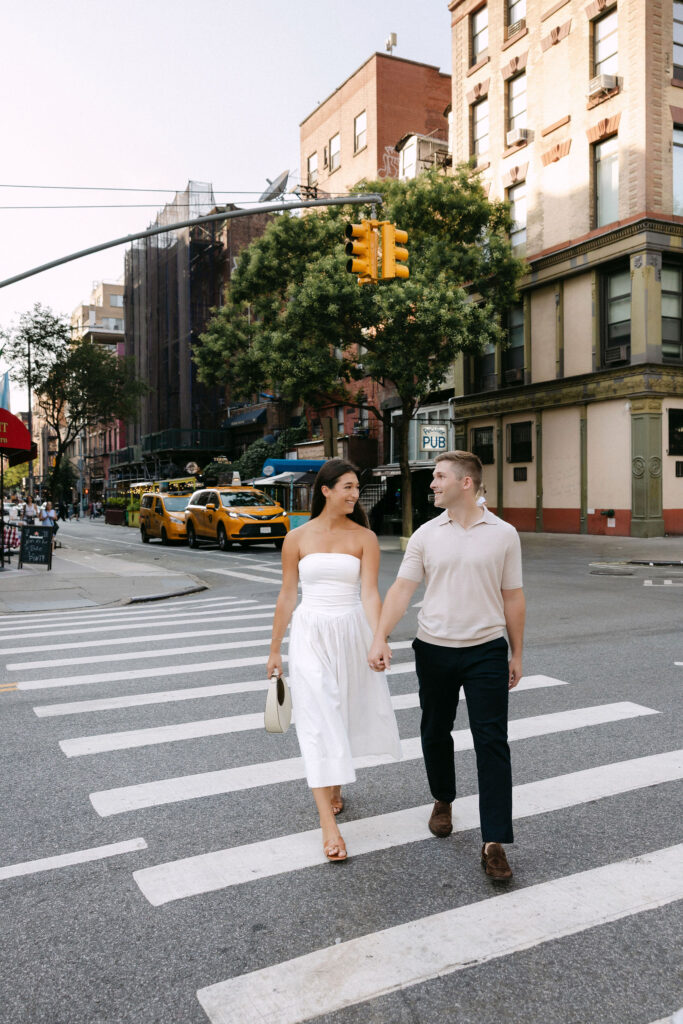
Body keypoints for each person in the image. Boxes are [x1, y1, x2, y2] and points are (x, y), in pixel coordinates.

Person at [368, 450, 525, 881]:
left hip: (487, 650)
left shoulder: (504, 534)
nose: (432, 484)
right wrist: (380, 635)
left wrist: (518, 652)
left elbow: (513, 595)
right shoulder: (425, 534)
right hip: (434, 648)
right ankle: (443, 797)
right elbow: (402, 589)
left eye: (439, 477)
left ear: (466, 483)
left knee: (492, 741)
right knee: (435, 730)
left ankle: (494, 842)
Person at [267, 458, 401, 863]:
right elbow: (288, 595)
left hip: (352, 631)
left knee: (343, 713)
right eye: (347, 486)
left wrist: (380, 638)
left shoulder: (366, 537)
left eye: (357, 488)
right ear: (324, 490)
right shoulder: (296, 537)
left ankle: (336, 783)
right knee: (316, 717)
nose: (355, 494)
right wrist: (275, 649)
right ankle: (328, 824)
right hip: (310, 633)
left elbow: (370, 594)